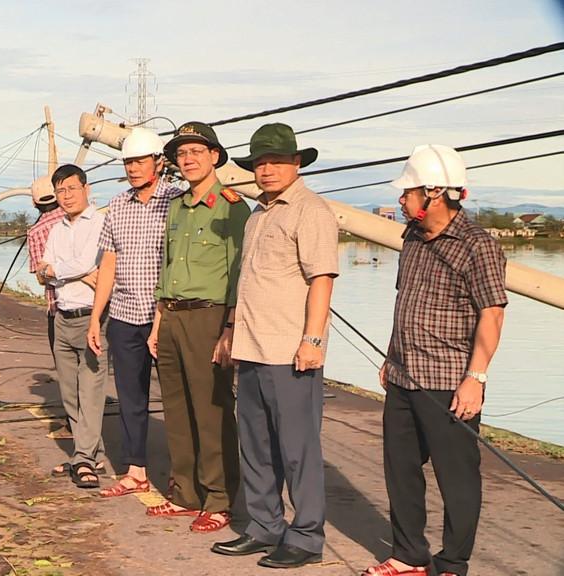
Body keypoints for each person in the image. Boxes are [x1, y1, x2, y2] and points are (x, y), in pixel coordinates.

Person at [364, 145, 507, 576]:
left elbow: (492, 313)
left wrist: (475, 378)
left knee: (457, 477)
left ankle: (452, 563)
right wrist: (391, 358)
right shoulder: (411, 237)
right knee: (401, 470)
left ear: (434, 193)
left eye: (407, 193)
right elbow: (404, 302)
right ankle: (408, 555)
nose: (401, 201)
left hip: (449, 382)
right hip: (404, 376)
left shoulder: (477, 245)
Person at [212, 123, 338, 569]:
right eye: (259, 163)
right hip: (251, 346)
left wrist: (313, 340)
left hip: (290, 352)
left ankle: (306, 536)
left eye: (275, 162)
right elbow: (247, 283)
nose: (265, 170)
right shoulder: (259, 214)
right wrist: (230, 332)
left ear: (296, 163)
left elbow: (321, 280)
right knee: (258, 446)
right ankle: (264, 526)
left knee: (298, 449)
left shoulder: (312, 211)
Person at [146, 121, 249, 533]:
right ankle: (185, 493)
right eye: (181, 154)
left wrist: (229, 329)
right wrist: (157, 323)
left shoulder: (231, 207)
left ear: (215, 157)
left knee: (211, 411)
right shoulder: (176, 206)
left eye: (196, 153)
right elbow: (166, 269)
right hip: (171, 316)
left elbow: (240, 274)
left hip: (209, 316)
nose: (187, 160)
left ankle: (220, 499)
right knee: (176, 409)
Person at [87, 128, 183, 498]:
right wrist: (97, 317)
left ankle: (181, 473)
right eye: (128, 162)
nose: (133, 168)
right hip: (125, 316)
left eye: (140, 161)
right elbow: (108, 264)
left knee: (176, 400)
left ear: (159, 163)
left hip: (166, 317)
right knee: (130, 398)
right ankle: (136, 469)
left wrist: (161, 318)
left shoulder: (177, 202)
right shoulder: (118, 206)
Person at [37, 164, 107, 489]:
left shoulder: (101, 222)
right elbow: (43, 270)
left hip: (93, 316)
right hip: (62, 317)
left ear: (86, 189)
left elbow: (91, 261)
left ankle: (83, 459)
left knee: (90, 390)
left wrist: (58, 271)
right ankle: (91, 454)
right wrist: (70, 272)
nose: (66, 196)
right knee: (69, 394)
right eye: (61, 191)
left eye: (72, 189)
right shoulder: (57, 229)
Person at [26, 175, 66, 363]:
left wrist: (49, 271)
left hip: (57, 308)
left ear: (34, 203)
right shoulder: (75, 217)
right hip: (91, 307)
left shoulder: (35, 231)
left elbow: (40, 277)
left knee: (65, 369)